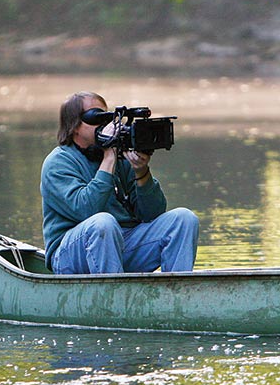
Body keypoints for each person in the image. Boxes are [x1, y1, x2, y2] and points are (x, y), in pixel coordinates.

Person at [40, 91, 199, 274]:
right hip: (71, 255)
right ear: (74, 125)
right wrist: (109, 158)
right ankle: (114, 298)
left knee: (184, 219)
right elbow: (86, 210)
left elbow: (153, 213)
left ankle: (176, 295)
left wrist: (141, 172)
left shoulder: (120, 158)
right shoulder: (58, 163)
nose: (105, 125)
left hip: (122, 244)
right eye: (96, 117)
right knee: (103, 222)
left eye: (107, 118)